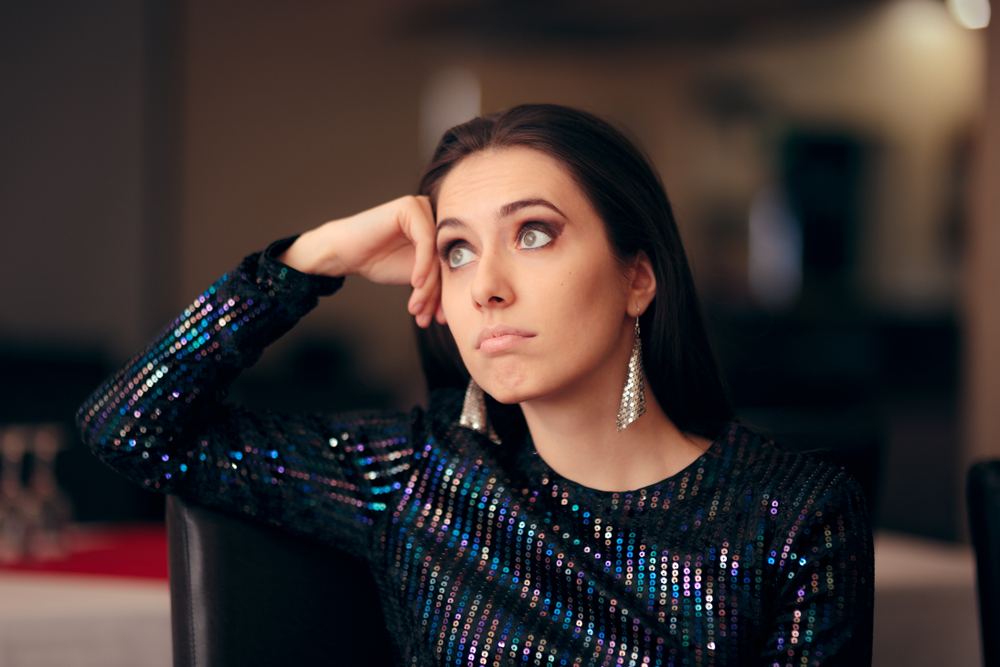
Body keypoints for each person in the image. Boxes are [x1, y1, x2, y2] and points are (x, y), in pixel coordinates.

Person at [77, 104, 873, 666]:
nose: (487, 285)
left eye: (534, 234)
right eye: (456, 251)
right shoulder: (417, 476)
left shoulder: (796, 515)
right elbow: (128, 427)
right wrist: (311, 259)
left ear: (638, 276)